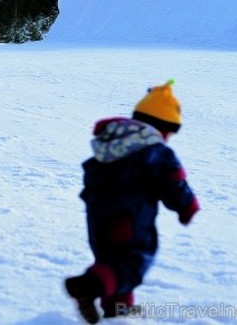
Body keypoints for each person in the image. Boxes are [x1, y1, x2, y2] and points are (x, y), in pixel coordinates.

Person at [64, 80, 200, 323]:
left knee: (110, 261)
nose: (167, 138)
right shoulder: (155, 151)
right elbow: (174, 182)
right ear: (162, 126)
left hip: (97, 217)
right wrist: (187, 207)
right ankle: (88, 286)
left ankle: (118, 311)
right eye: (169, 131)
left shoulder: (112, 142)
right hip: (130, 216)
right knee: (131, 262)